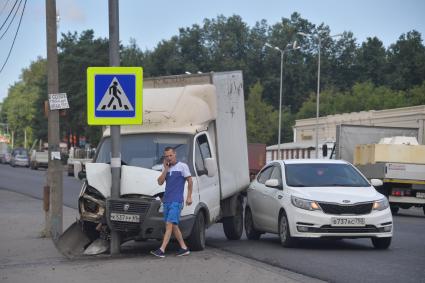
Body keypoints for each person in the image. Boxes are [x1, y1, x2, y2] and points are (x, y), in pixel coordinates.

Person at [151, 147, 193, 258]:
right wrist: (165, 169)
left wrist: (189, 196)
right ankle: (184, 248)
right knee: (173, 225)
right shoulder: (166, 168)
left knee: (169, 224)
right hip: (167, 201)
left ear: (175, 154)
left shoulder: (182, 166)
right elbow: (160, 182)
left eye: (171, 155)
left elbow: (190, 180)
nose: (169, 158)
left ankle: (161, 249)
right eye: (167, 156)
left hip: (177, 200)